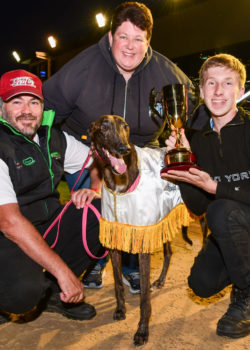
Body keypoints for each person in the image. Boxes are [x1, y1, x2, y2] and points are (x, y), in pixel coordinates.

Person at [42, 1, 199, 293]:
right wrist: (50, 161)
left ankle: (130, 267)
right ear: (111, 37)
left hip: (139, 154)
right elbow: (45, 110)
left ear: (148, 41)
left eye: (138, 38)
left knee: (136, 209)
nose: (130, 46)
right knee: (98, 206)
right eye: (123, 37)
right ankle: (95, 262)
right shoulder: (82, 67)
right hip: (88, 149)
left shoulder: (166, 72)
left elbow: (196, 117)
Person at [0, 69, 104, 325]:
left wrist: (95, 189)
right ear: (2, 108)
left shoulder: (53, 137)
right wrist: (63, 271)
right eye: (17, 102)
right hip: (9, 233)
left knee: (100, 209)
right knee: (23, 294)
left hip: (47, 223)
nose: (27, 110)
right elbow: (10, 223)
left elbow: (97, 161)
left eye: (33, 102)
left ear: (42, 106)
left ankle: (56, 294)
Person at [162, 53, 250, 339]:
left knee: (222, 210)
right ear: (200, 92)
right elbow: (199, 206)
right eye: (211, 83)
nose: (219, 91)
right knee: (200, 283)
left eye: (227, 83)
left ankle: (246, 294)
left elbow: (216, 199)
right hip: (233, 229)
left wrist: (216, 188)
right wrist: (187, 170)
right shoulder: (196, 140)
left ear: (240, 90)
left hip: (234, 218)